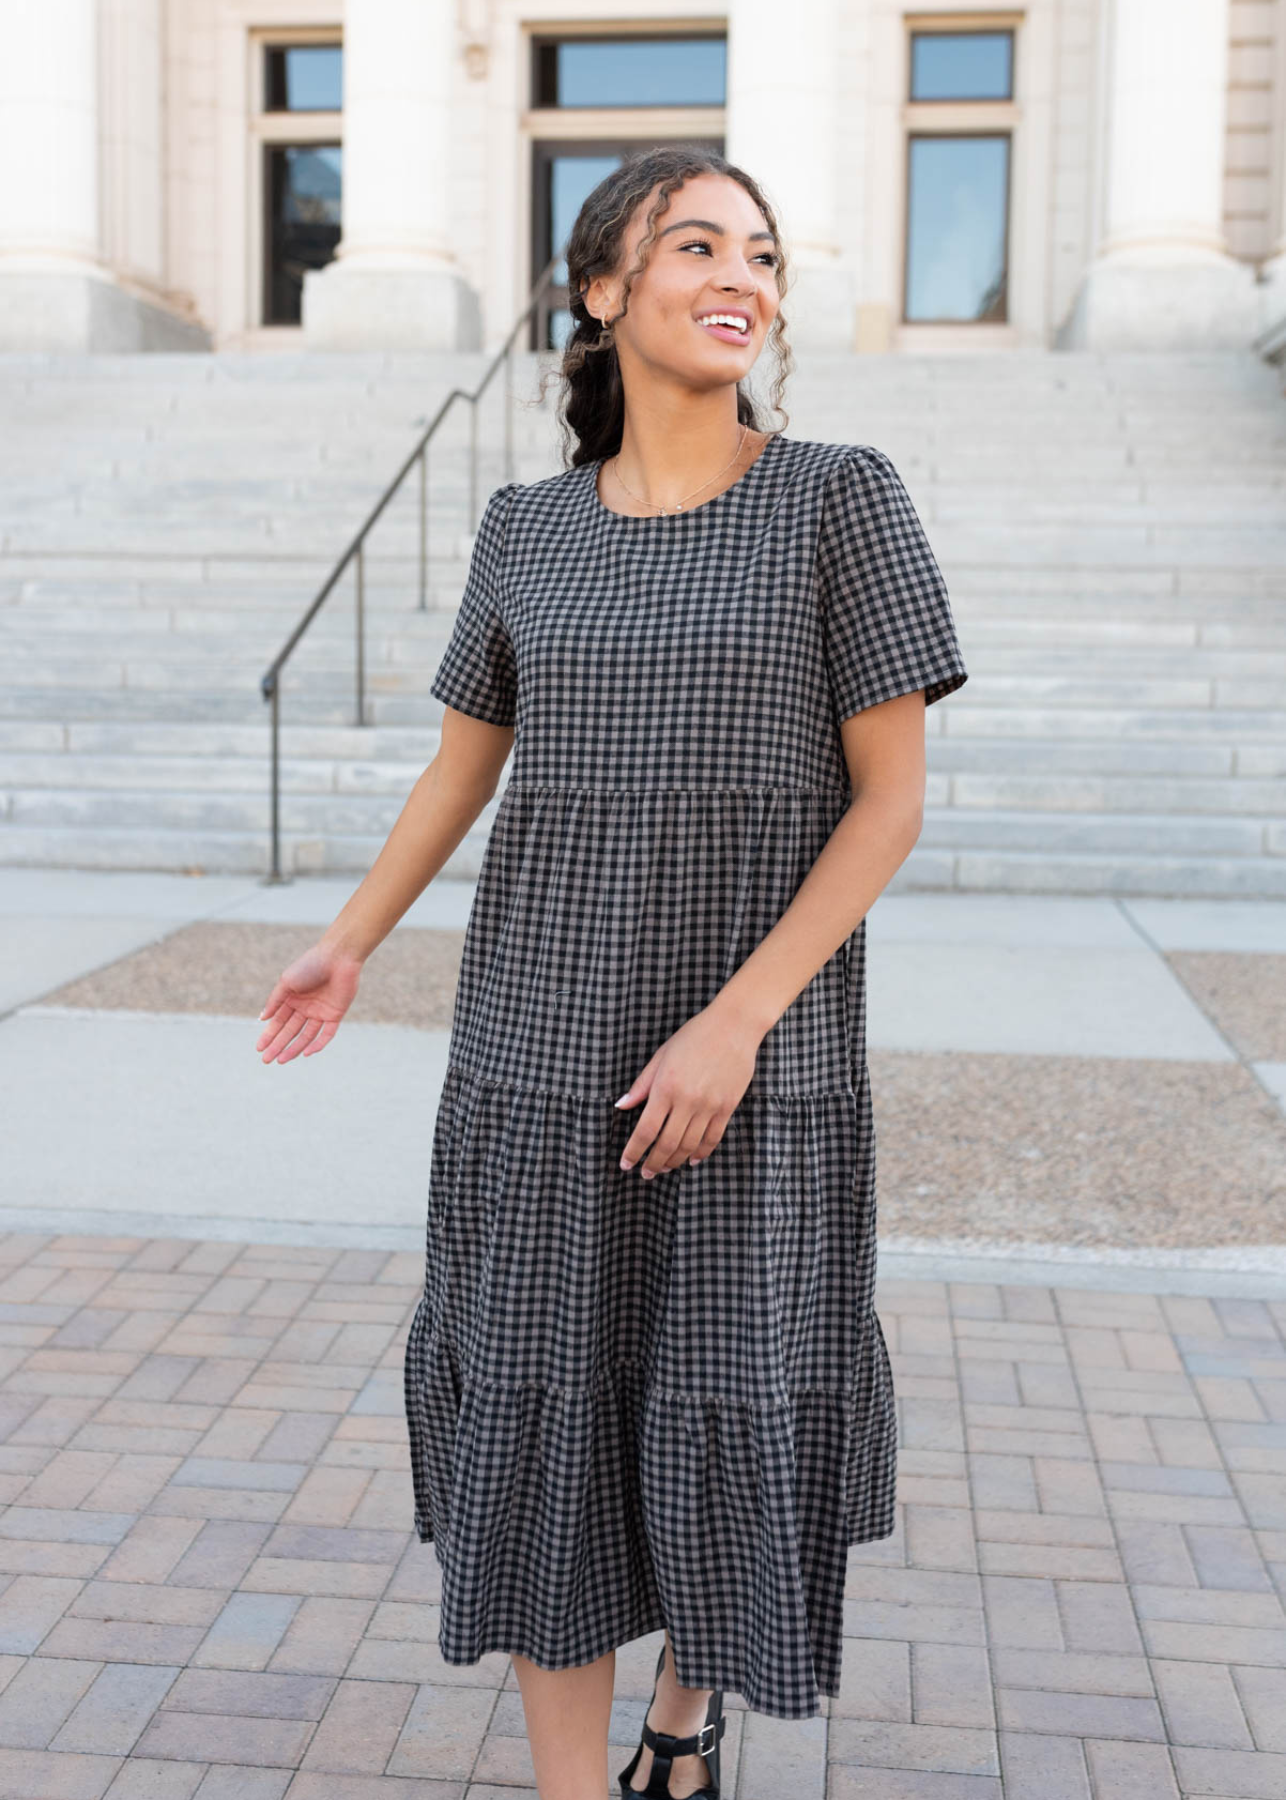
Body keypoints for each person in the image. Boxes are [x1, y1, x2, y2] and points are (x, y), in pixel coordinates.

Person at [254, 142, 968, 1800]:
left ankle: (683, 1716)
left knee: (724, 1392)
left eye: (765, 257)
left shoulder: (838, 500)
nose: (744, 278)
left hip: (754, 1059)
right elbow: (460, 768)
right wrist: (347, 941)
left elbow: (892, 804)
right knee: (543, 1409)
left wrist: (733, 1022)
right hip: (536, 1043)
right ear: (601, 293)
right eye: (698, 246)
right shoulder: (521, 527)